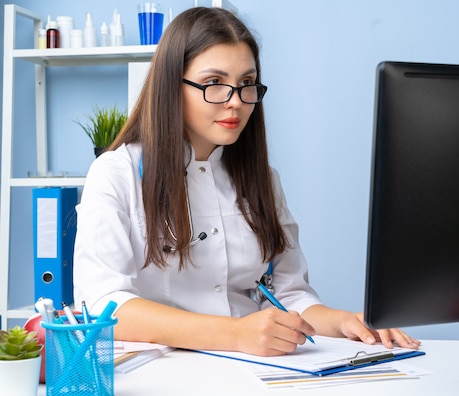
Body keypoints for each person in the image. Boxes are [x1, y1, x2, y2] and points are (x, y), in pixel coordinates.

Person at [73, 7, 420, 357]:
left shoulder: (262, 180)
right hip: (166, 371)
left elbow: (290, 295)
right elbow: (105, 304)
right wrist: (236, 333)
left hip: (256, 368)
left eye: (246, 84)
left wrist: (344, 321)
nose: (236, 102)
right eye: (213, 84)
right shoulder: (116, 174)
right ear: (171, 86)